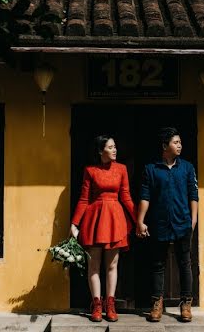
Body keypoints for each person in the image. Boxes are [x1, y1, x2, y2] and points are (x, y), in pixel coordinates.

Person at [70, 135, 136, 323]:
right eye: (110, 147)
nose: (115, 150)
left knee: (112, 265)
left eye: (115, 146)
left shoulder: (121, 169)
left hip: (115, 218)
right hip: (95, 219)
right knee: (94, 264)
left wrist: (138, 219)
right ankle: (97, 305)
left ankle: (111, 304)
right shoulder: (90, 170)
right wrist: (75, 223)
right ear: (100, 151)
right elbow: (84, 199)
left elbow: (126, 196)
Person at [136, 127, 198, 323]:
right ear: (165, 146)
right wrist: (140, 220)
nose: (179, 145)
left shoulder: (187, 168)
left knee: (184, 264)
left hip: (182, 222)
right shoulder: (151, 169)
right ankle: (157, 303)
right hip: (159, 223)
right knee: (158, 265)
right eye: (175, 142)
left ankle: (186, 303)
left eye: (180, 142)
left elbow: (193, 195)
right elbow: (145, 196)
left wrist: (193, 219)